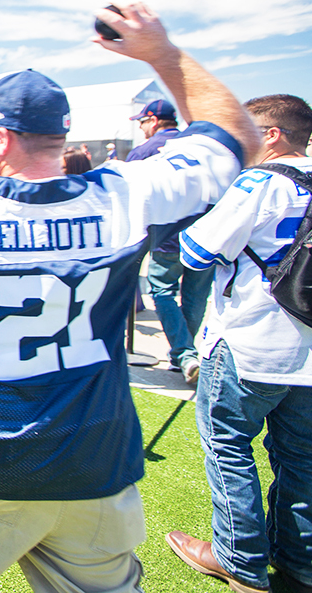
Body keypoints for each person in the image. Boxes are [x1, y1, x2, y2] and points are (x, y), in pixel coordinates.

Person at [0, 1, 259, 593]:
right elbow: (236, 140)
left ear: (0, 138)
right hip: (96, 460)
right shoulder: (126, 193)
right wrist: (163, 55)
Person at [168, 95, 312, 593]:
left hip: (250, 339)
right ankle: (299, 561)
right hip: (308, 351)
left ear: (271, 135)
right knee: (301, 457)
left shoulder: (261, 182)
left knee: (228, 447)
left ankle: (239, 559)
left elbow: (196, 251)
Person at [127, 99, 215, 384]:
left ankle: (185, 353)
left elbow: (130, 195)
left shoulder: (145, 151)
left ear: (153, 120)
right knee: (195, 296)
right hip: (206, 235)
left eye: (142, 122)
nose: (141, 128)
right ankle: (184, 355)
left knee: (162, 292)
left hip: (166, 238)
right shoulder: (203, 148)